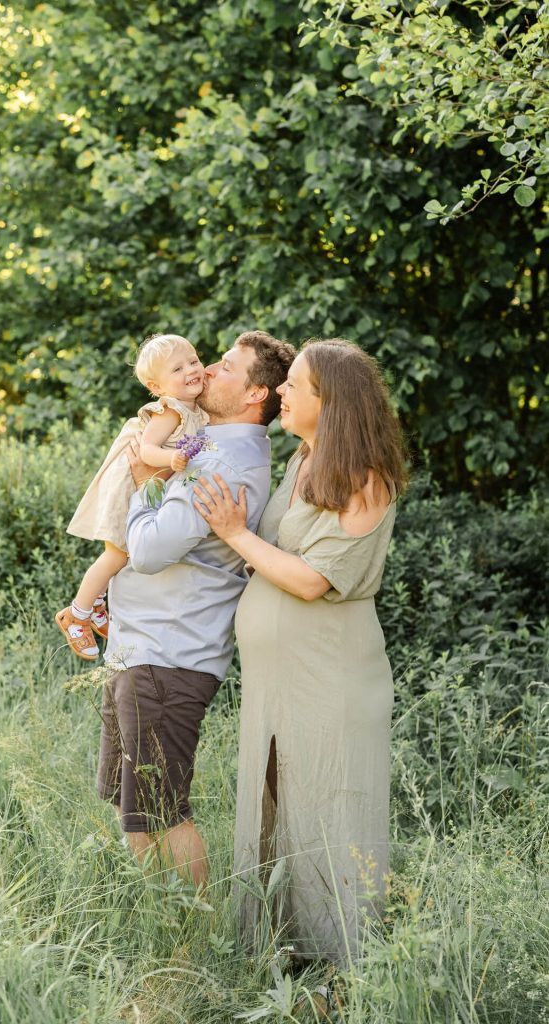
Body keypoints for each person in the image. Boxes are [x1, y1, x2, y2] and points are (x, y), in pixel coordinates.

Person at [193, 338, 407, 961]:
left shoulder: (368, 481)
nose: (283, 390)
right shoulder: (300, 462)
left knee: (328, 810)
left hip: (331, 675)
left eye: (297, 385)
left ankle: (343, 966)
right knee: (276, 804)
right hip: (277, 679)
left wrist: (233, 534)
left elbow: (313, 580)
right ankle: (281, 952)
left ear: (331, 402)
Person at [97, 331, 296, 887]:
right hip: (144, 647)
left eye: (226, 368)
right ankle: (166, 921)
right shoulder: (209, 444)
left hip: (169, 654)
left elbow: (152, 550)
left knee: (162, 810)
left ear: (257, 395)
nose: (207, 371)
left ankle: (194, 942)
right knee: (132, 805)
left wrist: (142, 485)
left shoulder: (222, 462)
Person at [56, 333, 208, 660]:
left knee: (123, 553)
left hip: (150, 487)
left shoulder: (195, 406)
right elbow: (149, 449)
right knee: (116, 555)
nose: (191, 371)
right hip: (131, 487)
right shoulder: (171, 410)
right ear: (157, 388)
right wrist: (172, 460)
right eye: (177, 369)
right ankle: (76, 616)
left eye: (193, 361)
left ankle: (96, 603)